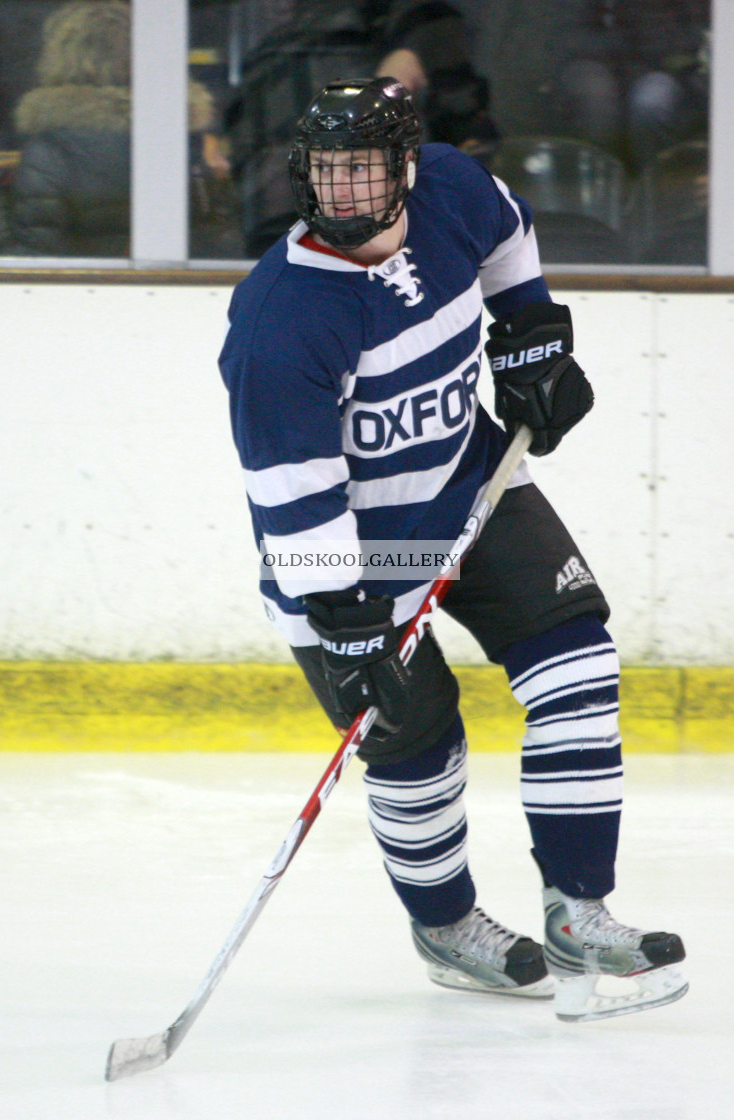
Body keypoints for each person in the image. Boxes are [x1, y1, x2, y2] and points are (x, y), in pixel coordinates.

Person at [218, 77, 688, 1020]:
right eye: (326, 172)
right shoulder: (279, 323)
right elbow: (292, 497)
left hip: (475, 489)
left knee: (577, 667)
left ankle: (579, 913)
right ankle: (444, 925)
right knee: (417, 742)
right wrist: (346, 628)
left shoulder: (452, 189)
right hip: (356, 557)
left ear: (404, 167)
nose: (342, 192)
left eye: (361, 170)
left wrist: (529, 336)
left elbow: (510, 236)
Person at [0, 0, 215, 258]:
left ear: (62, 56)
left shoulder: (51, 152)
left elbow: (29, 264)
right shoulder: (182, 142)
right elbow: (218, 245)